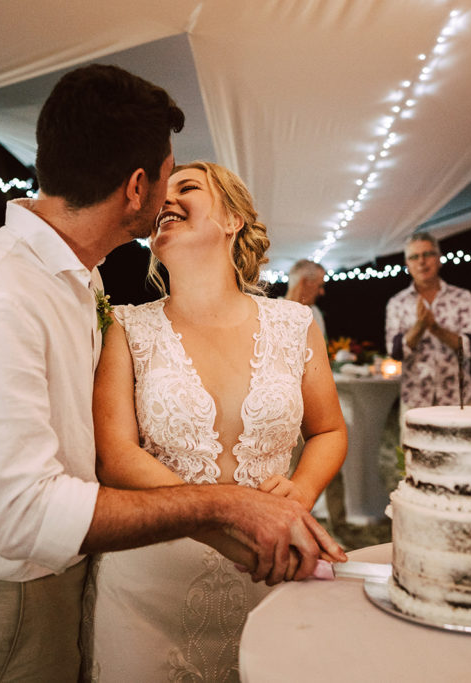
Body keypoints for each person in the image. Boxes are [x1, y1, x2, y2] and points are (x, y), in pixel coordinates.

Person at [0, 65, 346, 682]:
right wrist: (225, 512)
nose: (170, 195)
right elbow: (24, 514)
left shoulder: (77, 278)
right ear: (137, 186)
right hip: (5, 586)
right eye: (170, 175)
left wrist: (267, 506)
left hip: (76, 566)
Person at [87, 161, 348, 681]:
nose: (167, 200)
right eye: (164, 193)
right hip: (150, 590)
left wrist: (300, 492)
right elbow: (115, 458)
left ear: (233, 219)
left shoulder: (295, 324)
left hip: (273, 575)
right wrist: (223, 517)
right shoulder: (126, 326)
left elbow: (329, 431)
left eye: (189, 188)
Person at [384, 232, 471, 429]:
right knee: (416, 459)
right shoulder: (397, 303)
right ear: (407, 265)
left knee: (463, 458)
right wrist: (420, 327)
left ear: (439, 259)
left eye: (427, 254)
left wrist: (435, 328)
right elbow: (395, 353)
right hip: (416, 401)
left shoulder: (461, 297)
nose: (422, 262)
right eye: (414, 257)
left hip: (459, 399)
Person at [285, 259, 328, 339]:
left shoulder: (315, 313)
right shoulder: (274, 314)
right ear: (303, 283)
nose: (322, 292)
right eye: (320, 286)